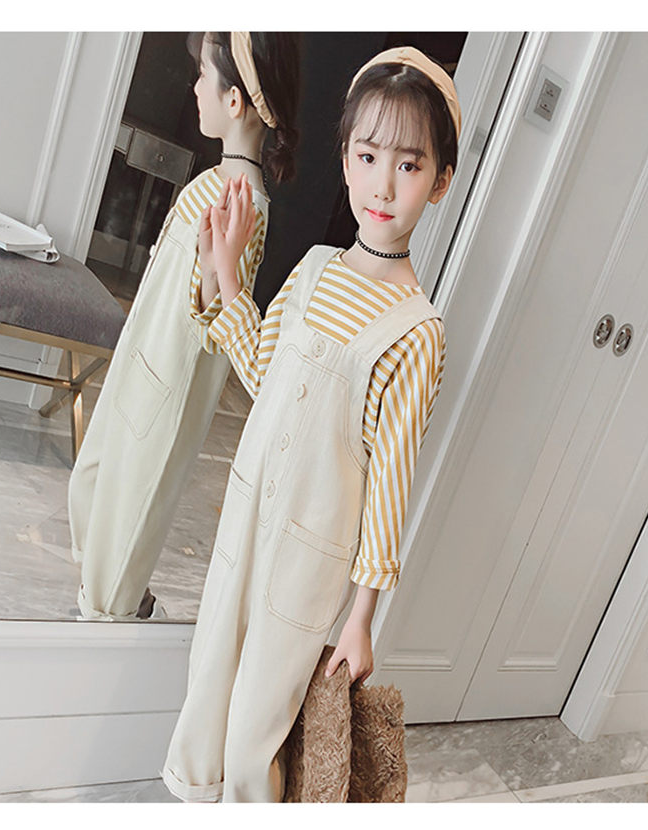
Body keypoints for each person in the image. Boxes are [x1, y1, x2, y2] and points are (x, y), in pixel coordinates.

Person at [162, 45, 460, 802]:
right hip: (245, 516)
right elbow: (263, 375)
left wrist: (362, 618)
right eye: (368, 156)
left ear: (441, 180)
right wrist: (225, 272)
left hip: (312, 557)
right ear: (346, 157)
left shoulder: (417, 331)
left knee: (257, 729)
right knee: (209, 685)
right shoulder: (315, 268)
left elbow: (391, 484)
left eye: (409, 165)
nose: (383, 184)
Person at [67, 32, 300, 620]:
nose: (195, 87)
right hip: (142, 364)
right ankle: (113, 617)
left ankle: (113, 626)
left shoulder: (243, 203)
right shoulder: (215, 183)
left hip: (166, 388)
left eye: (203, 76)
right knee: (94, 492)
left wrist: (214, 272)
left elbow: (215, 319)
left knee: (123, 528)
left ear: (234, 101)